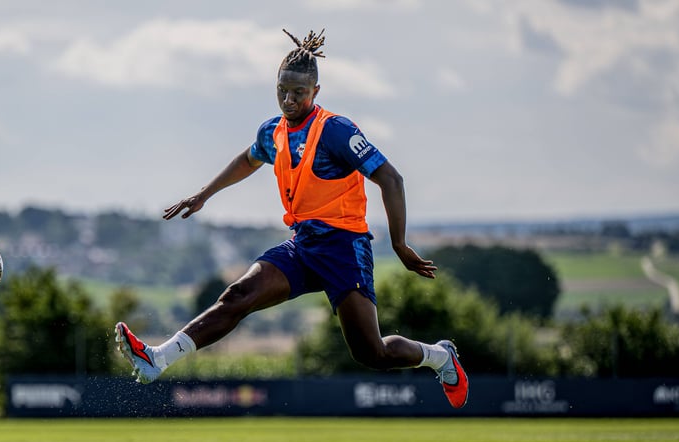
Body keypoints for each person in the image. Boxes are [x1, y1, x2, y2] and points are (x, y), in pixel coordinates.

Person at [115, 30, 469, 409]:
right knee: (238, 295)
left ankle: (441, 356)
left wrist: (398, 244)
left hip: (344, 249)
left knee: (372, 354)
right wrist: (204, 194)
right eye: (282, 90)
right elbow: (247, 159)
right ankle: (158, 359)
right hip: (302, 246)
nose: (289, 99)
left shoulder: (336, 130)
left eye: (298, 92)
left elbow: (391, 178)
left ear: (316, 91)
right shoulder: (273, 131)